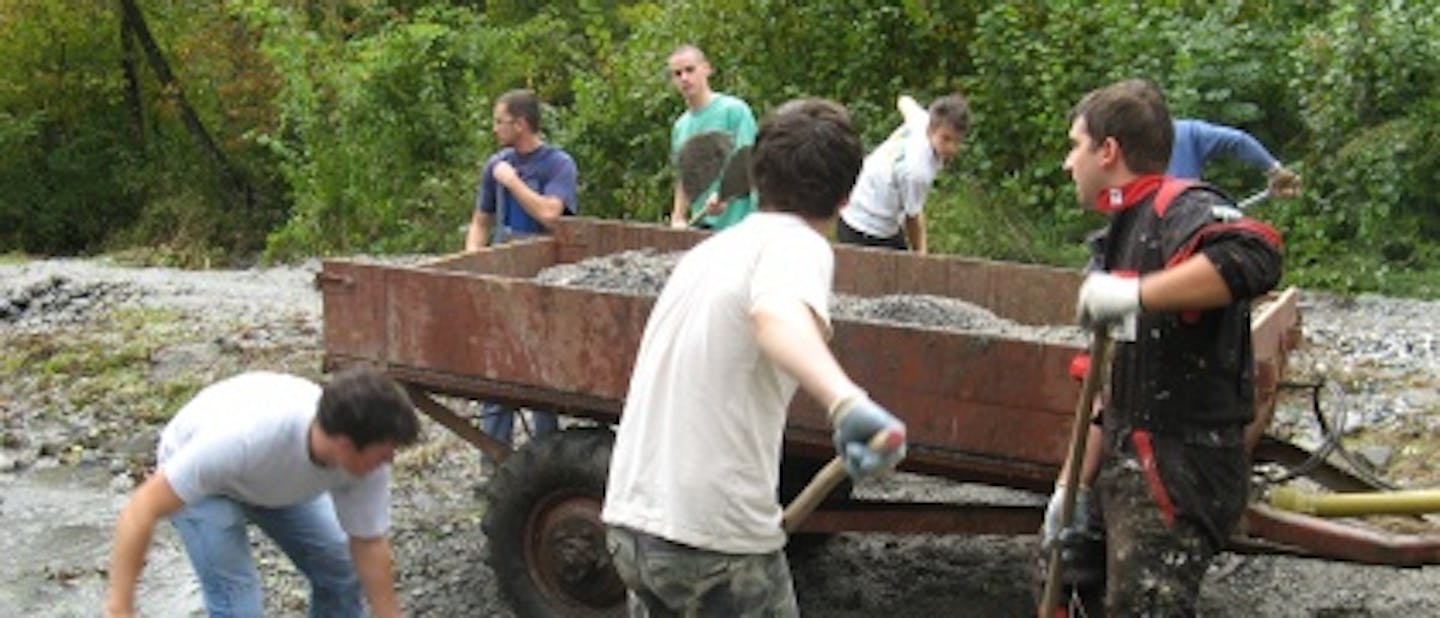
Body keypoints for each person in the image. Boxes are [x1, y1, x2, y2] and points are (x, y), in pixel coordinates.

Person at [604, 98, 909, 616]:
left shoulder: (708, 252)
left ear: (757, 174)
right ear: (847, 196)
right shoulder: (798, 248)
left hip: (632, 526)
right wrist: (847, 404)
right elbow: (777, 317)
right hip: (710, 542)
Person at [1043, 78, 1284, 616]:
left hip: (1179, 465)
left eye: (1073, 145)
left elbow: (1254, 255)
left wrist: (1136, 293)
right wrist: (1069, 491)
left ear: (1108, 151)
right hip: (1129, 458)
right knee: (1066, 579)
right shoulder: (1118, 236)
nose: (1067, 163)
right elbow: (1111, 390)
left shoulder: (1179, 207)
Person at [105, 368, 421, 618]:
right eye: (383, 454)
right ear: (345, 444)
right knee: (239, 605)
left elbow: (367, 542)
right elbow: (142, 507)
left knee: (340, 568)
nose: (389, 462)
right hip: (208, 489)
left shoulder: (367, 454)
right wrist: (120, 608)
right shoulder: (240, 440)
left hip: (276, 482)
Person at [465, 88, 578, 445]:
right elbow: (481, 221)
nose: (495, 129)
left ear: (522, 124)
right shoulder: (495, 163)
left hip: (546, 278)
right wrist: (474, 258)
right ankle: (493, 460)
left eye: (500, 121)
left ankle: (545, 452)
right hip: (503, 272)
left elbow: (550, 212)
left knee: (540, 370)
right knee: (498, 368)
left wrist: (512, 181)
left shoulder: (558, 164)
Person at [837, 92, 970, 254]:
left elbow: (904, 101)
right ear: (930, 130)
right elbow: (913, 217)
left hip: (880, 212)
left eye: (957, 141)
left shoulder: (921, 120)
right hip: (864, 224)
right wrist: (922, 255)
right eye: (946, 139)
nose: (951, 148)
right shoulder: (917, 171)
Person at [666, 44, 758, 231]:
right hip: (703, 229)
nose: (684, 78)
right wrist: (678, 218)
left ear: (706, 69)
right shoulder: (680, 127)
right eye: (678, 73)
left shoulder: (734, 110)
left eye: (690, 70)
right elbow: (684, 178)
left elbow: (748, 161)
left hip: (741, 225)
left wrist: (724, 195)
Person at [1170, 118, 1301, 198]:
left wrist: (1276, 172)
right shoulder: (1186, 131)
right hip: (1190, 222)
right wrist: (1275, 170)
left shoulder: (1186, 132)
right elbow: (1238, 141)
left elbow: (1237, 142)